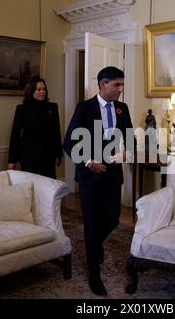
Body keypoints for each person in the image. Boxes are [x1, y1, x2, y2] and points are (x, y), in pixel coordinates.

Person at [63, 66, 134, 296]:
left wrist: (125, 154)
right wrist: (88, 162)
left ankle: (95, 245)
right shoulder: (84, 108)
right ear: (102, 84)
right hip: (90, 176)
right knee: (92, 224)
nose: (120, 90)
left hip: (113, 174)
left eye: (121, 85)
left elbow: (131, 140)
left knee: (112, 219)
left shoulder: (122, 109)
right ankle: (94, 275)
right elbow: (69, 143)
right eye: (117, 85)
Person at [8, 76, 63, 179]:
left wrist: (59, 154)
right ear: (31, 91)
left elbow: (56, 132)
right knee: (30, 187)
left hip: (48, 155)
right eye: (39, 89)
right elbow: (15, 136)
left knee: (49, 187)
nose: (42, 92)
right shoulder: (22, 109)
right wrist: (12, 161)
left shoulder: (52, 107)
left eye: (44, 89)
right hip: (29, 156)